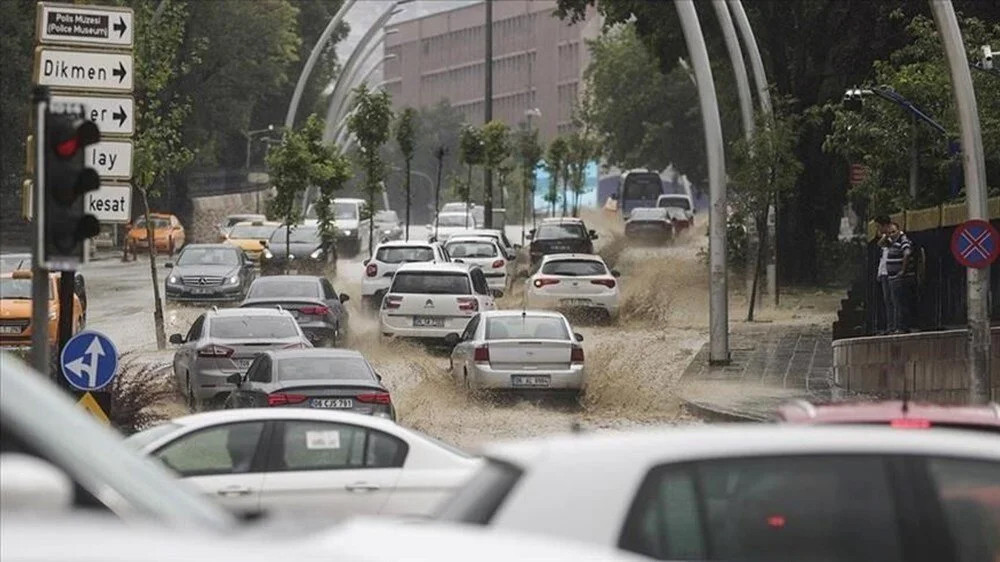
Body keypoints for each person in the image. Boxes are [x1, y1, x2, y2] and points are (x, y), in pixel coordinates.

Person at [885, 222, 916, 333]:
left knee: (899, 303)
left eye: (893, 232)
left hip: (899, 278)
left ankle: (901, 327)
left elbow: (907, 253)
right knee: (895, 302)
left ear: (899, 231)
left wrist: (902, 271)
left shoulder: (903, 240)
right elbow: (880, 244)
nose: (892, 234)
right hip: (892, 277)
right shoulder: (891, 242)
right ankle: (897, 326)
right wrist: (886, 236)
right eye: (889, 233)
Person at [874, 216, 894, 334]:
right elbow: (880, 246)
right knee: (887, 300)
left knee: (893, 301)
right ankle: (889, 325)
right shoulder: (884, 238)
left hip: (891, 271)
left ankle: (894, 325)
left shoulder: (893, 236)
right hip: (884, 272)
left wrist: (887, 234)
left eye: (878, 226)